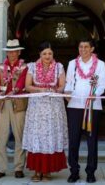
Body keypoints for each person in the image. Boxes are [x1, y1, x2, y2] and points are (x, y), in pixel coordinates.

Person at [23, 42, 68, 182]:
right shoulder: (31, 67)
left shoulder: (59, 67)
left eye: (50, 53)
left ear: (53, 54)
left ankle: (48, 170)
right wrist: (40, 90)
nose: (47, 56)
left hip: (54, 107)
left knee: (51, 136)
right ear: (39, 55)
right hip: (36, 108)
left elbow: (62, 86)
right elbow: (27, 86)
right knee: (37, 136)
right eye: (44, 54)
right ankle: (37, 170)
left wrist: (54, 90)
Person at [64, 39, 105, 183]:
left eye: (86, 47)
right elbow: (69, 82)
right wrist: (67, 94)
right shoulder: (72, 64)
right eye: (80, 46)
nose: (83, 49)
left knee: (91, 140)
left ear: (92, 48)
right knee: (74, 139)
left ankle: (91, 171)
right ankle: (74, 170)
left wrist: (95, 94)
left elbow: (102, 83)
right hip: (75, 105)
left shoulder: (100, 64)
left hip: (93, 106)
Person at [0, 39, 28, 179]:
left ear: (18, 52)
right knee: (1, 136)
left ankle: (19, 167)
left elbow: (22, 81)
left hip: (18, 102)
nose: (12, 54)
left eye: (14, 51)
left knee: (19, 136)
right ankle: (0, 168)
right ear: (6, 53)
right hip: (2, 103)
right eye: (9, 52)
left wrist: (16, 90)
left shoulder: (25, 67)